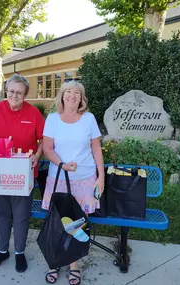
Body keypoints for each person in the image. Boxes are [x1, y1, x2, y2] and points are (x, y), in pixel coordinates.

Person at [0, 74, 45, 273]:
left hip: (23, 174)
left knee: (21, 216)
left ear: (25, 94)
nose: (15, 95)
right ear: (6, 91)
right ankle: (2, 250)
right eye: (11, 91)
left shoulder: (33, 114)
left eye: (19, 92)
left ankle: (19, 253)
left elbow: (43, 140)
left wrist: (38, 156)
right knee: (2, 214)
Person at [42, 80, 104, 285]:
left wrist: (101, 177)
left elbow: (96, 148)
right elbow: (48, 148)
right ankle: (54, 260)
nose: (72, 95)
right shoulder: (52, 119)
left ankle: (73, 264)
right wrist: (63, 165)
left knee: (77, 223)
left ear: (81, 98)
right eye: (68, 92)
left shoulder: (89, 119)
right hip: (59, 178)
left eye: (76, 93)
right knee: (57, 222)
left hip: (85, 180)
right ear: (62, 96)